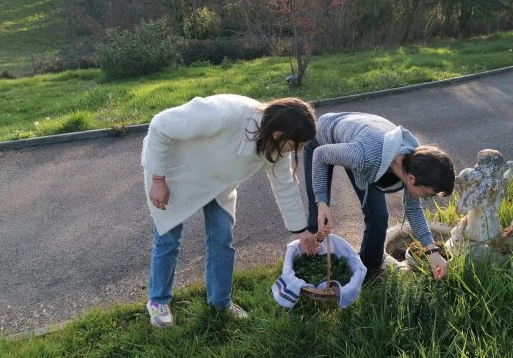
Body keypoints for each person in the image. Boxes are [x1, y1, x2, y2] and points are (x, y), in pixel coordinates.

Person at [142, 94, 316, 327]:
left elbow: (284, 185)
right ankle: (158, 302)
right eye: (298, 145)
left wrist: (301, 231)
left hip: (218, 183)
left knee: (222, 239)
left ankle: (220, 303)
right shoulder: (225, 114)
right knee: (168, 239)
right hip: (174, 173)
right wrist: (158, 179)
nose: (298, 150)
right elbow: (160, 124)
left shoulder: (276, 148)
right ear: (278, 134)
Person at [298, 112, 455, 282]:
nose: (427, 199)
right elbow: (320, 155)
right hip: (321, 139)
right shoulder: (364, 157)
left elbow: (413, 209)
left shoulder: (416, 162)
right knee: (319, 217)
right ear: (411, 179)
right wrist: (321, 202)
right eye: (428, 194)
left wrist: (432, 251)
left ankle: (368, 272)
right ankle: (308, 273)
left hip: (362, 141)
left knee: (378, 217)